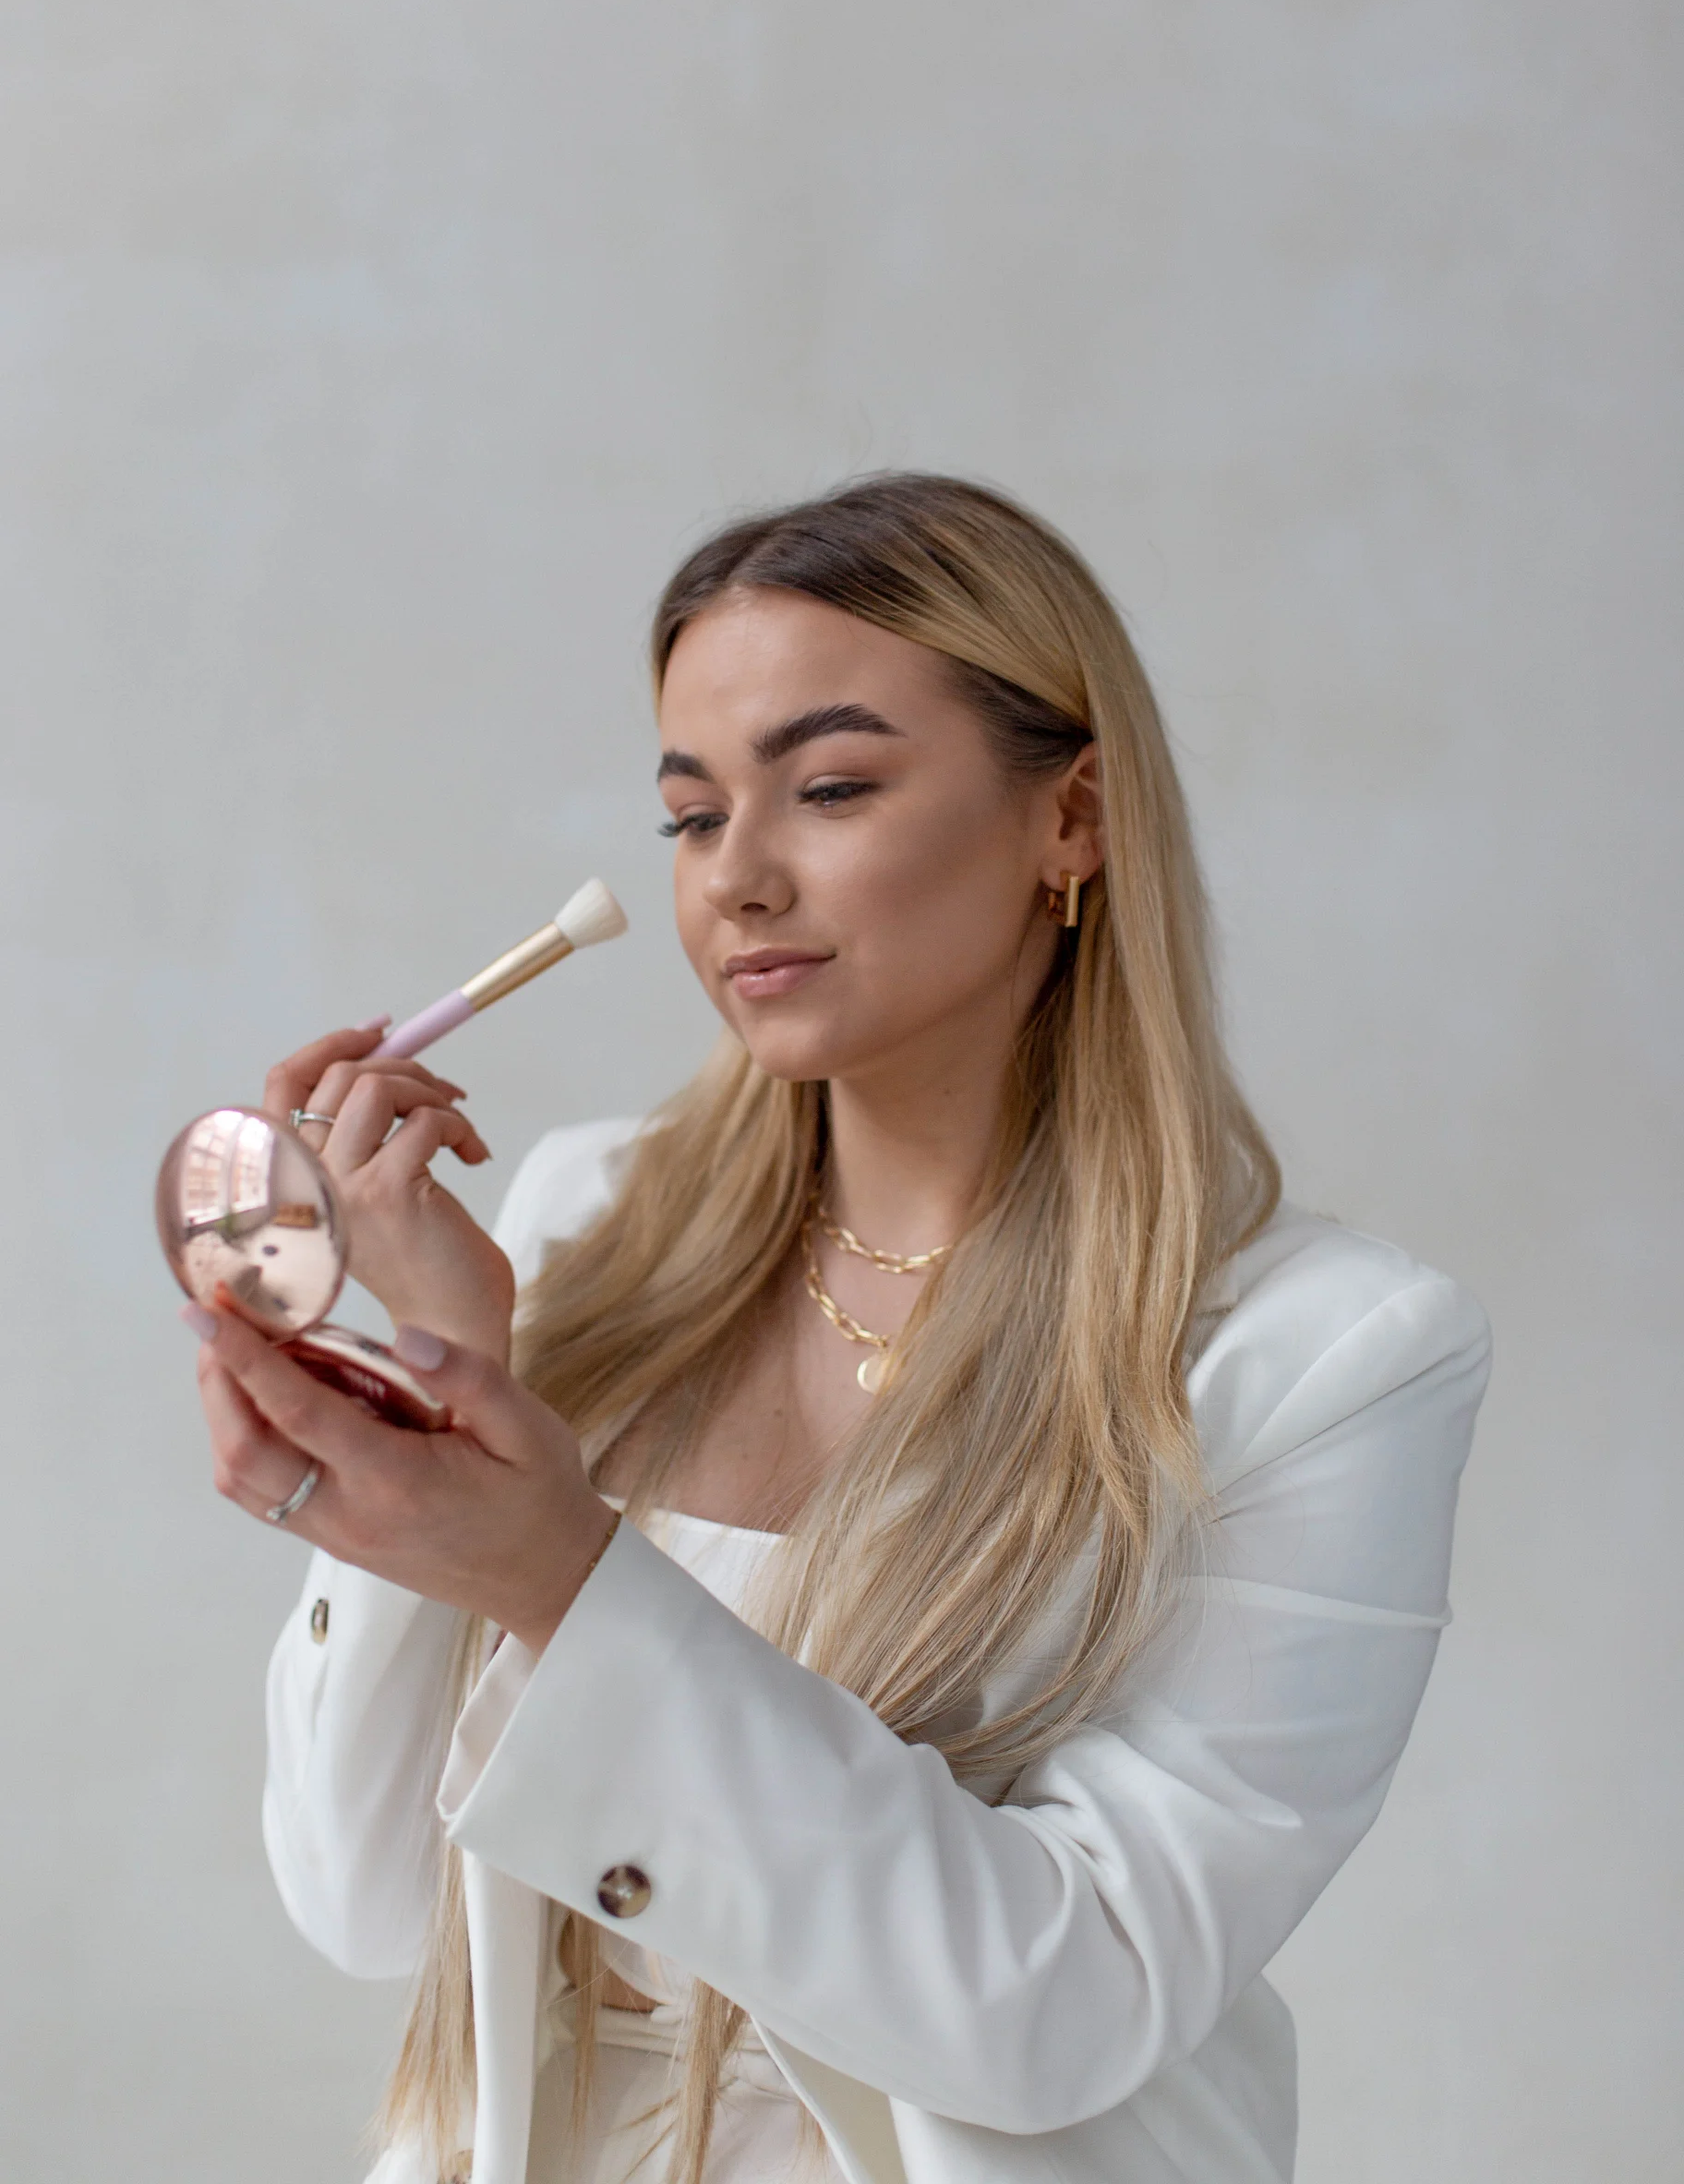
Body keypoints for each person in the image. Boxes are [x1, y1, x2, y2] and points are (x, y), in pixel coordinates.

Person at [190, 473, 1492, 2184]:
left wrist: (562, 1576)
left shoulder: (1322, 1359)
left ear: (1073, 819)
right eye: (690, 816)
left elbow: (1060, 2010)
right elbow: (362, 1903)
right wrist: (440, 1369)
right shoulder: (577, 1227)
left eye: (830, 789)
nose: (736, 879)